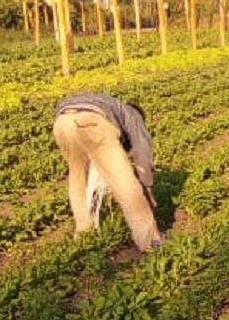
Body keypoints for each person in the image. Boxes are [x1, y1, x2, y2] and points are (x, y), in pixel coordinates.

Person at [52, 93, 164, 251]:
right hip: (92, 122)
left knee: (78, 179)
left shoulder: (112, 106)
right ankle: (151, 241)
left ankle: (84, 234)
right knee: (127, 186)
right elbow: (142, 152)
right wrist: (146, 185)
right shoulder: (133, 115)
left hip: (62, 122)